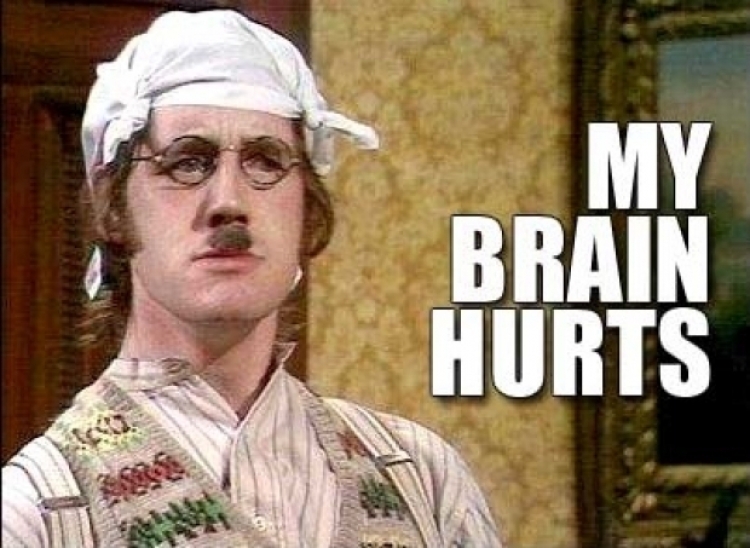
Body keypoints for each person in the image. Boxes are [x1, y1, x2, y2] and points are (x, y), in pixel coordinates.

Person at [2, 9, 503, 548]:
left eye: (266, 161)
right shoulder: (39, 509)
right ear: (113, 207)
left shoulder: (423, 480)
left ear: (307, 206)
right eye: (187, 162)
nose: (229, 201)